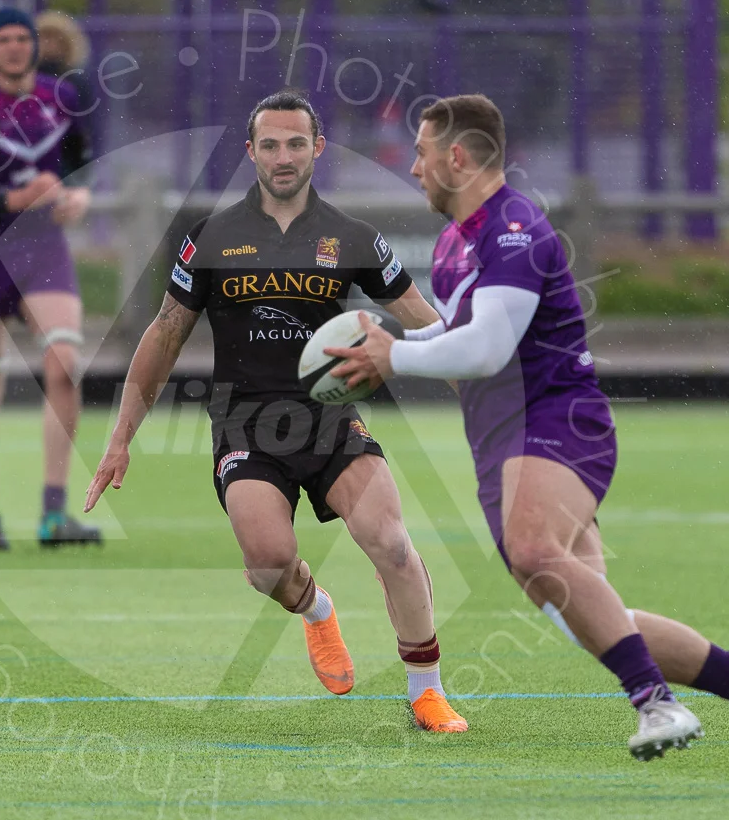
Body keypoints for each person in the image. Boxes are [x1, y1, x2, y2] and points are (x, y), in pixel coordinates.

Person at [325, 93, 729, 788]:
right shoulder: (459, 241)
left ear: (457, 156)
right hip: (500, 440)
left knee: (536, 551)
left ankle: (656, 705)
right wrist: (393, 339)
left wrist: (392, 359)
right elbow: (460, 330)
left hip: (556, 419)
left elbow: (488, 347)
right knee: (590, 611)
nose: (415, 168)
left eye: (422, 154)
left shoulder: (512, 227)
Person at [84, 91, 468, 732]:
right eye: (270, 144)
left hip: (329, 416)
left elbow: (426, 324)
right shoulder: (212, 238)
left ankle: (426, 690)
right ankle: (318, 610)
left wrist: (484, 399)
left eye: (296, 143)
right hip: (245, 422)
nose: (283, 156)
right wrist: (121, 437)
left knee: (392, 544)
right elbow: (164, 334)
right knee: (267, 564)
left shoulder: (353, 238)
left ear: (317, 148)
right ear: (251, 152)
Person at [0, 7, 98, 549]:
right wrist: (10, 198)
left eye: (21, 39)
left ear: (33, 45)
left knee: (65, 365)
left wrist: (77, 194)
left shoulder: (63, 98)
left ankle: (55, 513)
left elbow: (79, 163)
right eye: (2, 39)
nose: (13, 47)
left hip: (43, 250)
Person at [35, 11, 100, 159]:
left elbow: (86, 125)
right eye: (45, 37)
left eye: (56, 38)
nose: (50, 44)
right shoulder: (26, 79)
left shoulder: (77, 82)